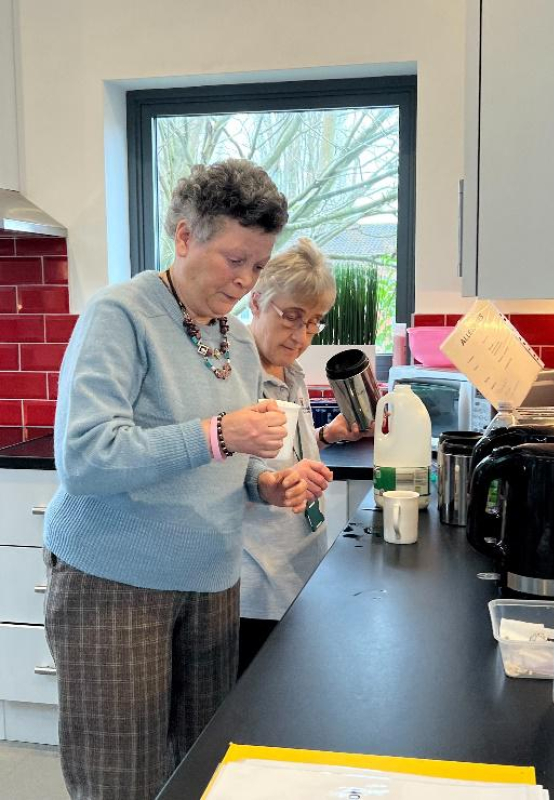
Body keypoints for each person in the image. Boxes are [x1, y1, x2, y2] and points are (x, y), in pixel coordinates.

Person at [42, 159, 309, 800]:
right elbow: (85, 456)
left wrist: (265, 483)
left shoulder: (237, 343)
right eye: (233, 259)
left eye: (257, 266)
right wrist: (219, 433)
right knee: (121, 782)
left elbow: (231, 462)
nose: (245, 282)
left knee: (202, 770)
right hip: (115, 584)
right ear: (185, 236)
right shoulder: (120, 316)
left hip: (213, 583)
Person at [238, 238, 372, 674]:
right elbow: (216, 468)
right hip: (257, 580)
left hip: (301, 560)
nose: (301, 336)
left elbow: (283, 452)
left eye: (314, 322)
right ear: (257, 302)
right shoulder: (232, 376)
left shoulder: (291, 371)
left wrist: (325, 435)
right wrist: (270, 485)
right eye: (292, 317)